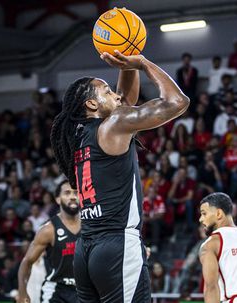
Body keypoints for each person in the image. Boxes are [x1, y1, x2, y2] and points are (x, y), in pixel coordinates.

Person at [50, 51, 189, 303]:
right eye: (106, 91)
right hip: (117, 244)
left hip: (86, 249)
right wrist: (143, 63)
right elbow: (177, 102)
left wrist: (127, 64)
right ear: (91, 105)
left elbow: (123, 101)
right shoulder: (113, 124)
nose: (115, 94)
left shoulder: (79, 136)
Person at [17, 181, 80, 303]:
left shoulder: (90, 226)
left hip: (83, 289)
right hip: (56, 289)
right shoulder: (48, 229)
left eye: (76, 193)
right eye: (67, 193)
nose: (73, 197)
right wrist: (22, 292)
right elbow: (27, 262)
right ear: (57, 199)